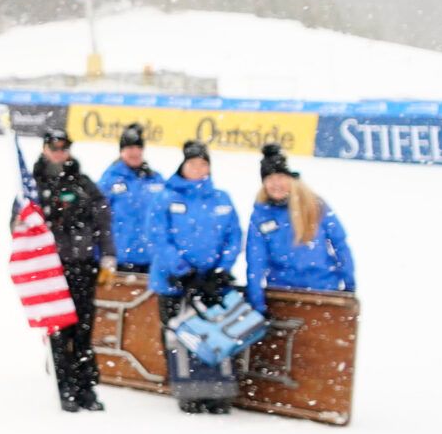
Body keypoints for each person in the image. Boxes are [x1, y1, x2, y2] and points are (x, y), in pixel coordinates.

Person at [149, 139, 243, 414]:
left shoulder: (221, 197)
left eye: (203, 164)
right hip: (175, 283)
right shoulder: (166, 197)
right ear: (183, 165)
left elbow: (233, 236)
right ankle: (188, 390)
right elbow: (158, 237)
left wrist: (220, 270)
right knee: (181, 337)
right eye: (193, 163)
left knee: (216, 336)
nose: (198, 168)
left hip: (211, 284)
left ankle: (217, 392)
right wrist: (183, 272)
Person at [27, 130, 114, 412]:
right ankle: (65, 387)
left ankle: (86, 386)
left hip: (83, 266)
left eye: (64, 149)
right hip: (52, 271)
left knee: (83, 331)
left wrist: (108, 255)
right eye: (55, 148)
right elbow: (18, 226)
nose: (60, 153)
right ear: (45, 149)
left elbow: (103, 220)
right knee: (59, 332)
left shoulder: (83, 183)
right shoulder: (32, 185)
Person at [245, 143, 354, 311]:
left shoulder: (315, 205)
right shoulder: (260, 215)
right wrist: (257, 303)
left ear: (290, 178)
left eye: (280, 177)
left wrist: (349, 285)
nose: (276, 184)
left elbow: (340, 244)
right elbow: (255, 261)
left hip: (323, 291)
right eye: (270, 179)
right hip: (282, 292)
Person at [96, 122, 163, 273]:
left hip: (149, 259)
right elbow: (98, 219)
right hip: (119, 259)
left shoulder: (155, 180)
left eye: (139, 148)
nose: (135, 152)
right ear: (121, 151)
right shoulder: (109, 180)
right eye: (130, 148)